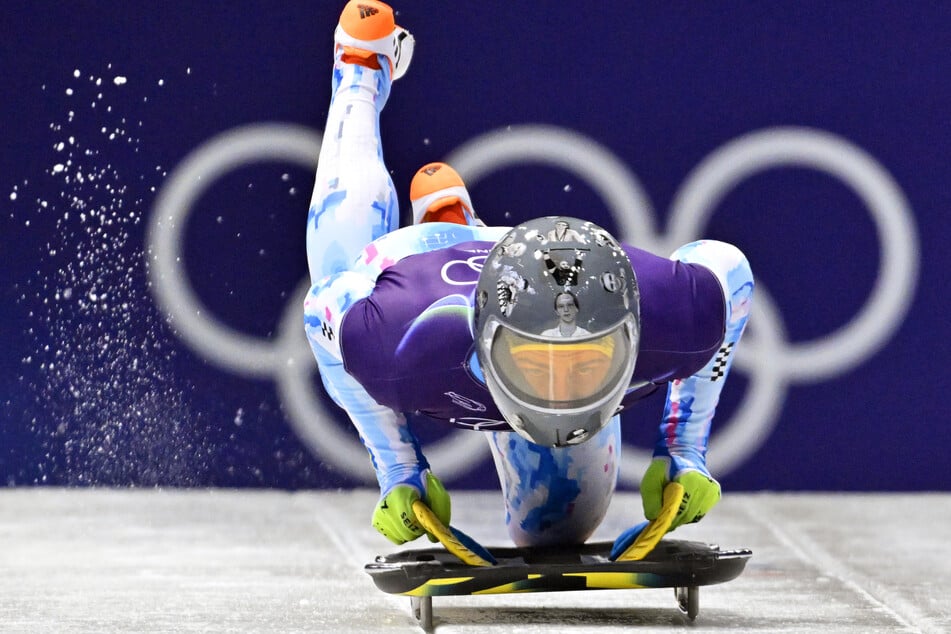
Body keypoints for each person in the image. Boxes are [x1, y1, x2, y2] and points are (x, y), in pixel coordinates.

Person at [304, 0, 754, 552]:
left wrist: (684, 448)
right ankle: (360, 70)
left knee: (555, 530)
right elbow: (323, 306)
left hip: (526, 273)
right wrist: (398, 467)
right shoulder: (401, 337)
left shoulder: (671, 312)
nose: (558, 396)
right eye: (535, 364)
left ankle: (457, 221)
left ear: (631, 335)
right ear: (486, 340)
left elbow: (730, 272)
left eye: (586, 364)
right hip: (416, 262)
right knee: (335, 272)